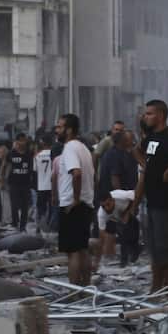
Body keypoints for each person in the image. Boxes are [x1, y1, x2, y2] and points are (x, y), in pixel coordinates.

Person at [129, 99, 168, 292]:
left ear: (160, 115)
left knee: (167, 249)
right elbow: (136, 151)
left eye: (149, 113)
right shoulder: (151, 138)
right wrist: (146, 167)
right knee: (155, 250)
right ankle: (156, 287)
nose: (145, 117)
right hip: (153, 202)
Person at [55, 114, 96, 286]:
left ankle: (73, 292)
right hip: (86, 205)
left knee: (72, 252)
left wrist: (75, 200)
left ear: (69, 130)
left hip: (73, 206)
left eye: (60, 126)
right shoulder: (83, 148)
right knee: (83, 249)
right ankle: (86, 288)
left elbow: (76, 173)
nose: (57, 130)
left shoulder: (70, 148)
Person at [98, 130, 139, 263]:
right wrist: (118, 200)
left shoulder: (122, 152)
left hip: (120, 199)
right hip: (115, 196)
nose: (132, 141)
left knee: (125, 228)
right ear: (122, 141)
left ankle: (121, 254)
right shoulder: (115, 155)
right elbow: (115, 177)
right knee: (119, 229)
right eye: (129, 139)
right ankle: (114, 255)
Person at [4, 134, 35, 233]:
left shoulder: (30, 153)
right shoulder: (11, 153)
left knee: (25, 206)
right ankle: (14, 223)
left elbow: (32, 168)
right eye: (20, 140)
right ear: (16, 141)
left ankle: (23, 226)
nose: (23, 142)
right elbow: (7, 166)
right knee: (14, 205)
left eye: (24, 140)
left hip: (25, 183)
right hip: (13, 183)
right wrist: (5, 180)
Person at [33, 139, 54, 235]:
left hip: (41, 186)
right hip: (52, 186)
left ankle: (38, 227)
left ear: (43, 144)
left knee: (40, 207)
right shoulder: (54, 155)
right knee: (51, 207)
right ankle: (49, 226)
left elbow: (35, 170)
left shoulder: (37, 155)